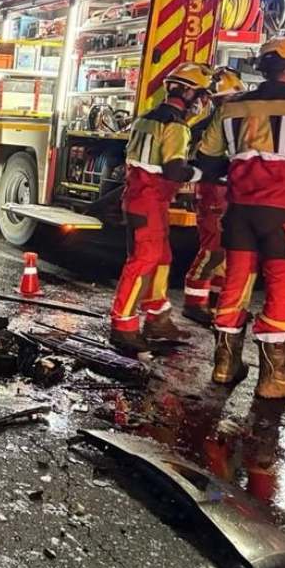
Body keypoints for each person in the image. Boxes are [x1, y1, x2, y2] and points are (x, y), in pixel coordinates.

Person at [195, 38, 285, 397]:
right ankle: (274, 377)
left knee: (235, 285)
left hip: (239, 213)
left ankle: (225, 365)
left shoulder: (232, 108)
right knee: (283, 288)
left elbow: (208, 161)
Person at [109, 62, 214, 354]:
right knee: (144, 261)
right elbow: (174, 170)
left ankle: (157, 317)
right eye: (202, 96)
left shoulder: (146, 118)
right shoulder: (176, 126)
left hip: (140, 199)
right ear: (190, 93)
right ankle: (123, 324)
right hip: (150, 201)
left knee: (161, 258)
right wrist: (204, 172)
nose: (203, 103)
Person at [182, 67, 245, 325]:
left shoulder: (229, 120)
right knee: (213, 250)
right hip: (213, 191)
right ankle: (194, 302)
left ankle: (218, 300)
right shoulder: (210, 125)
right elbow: (205, 160)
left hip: (228, 191)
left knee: (226, 250)